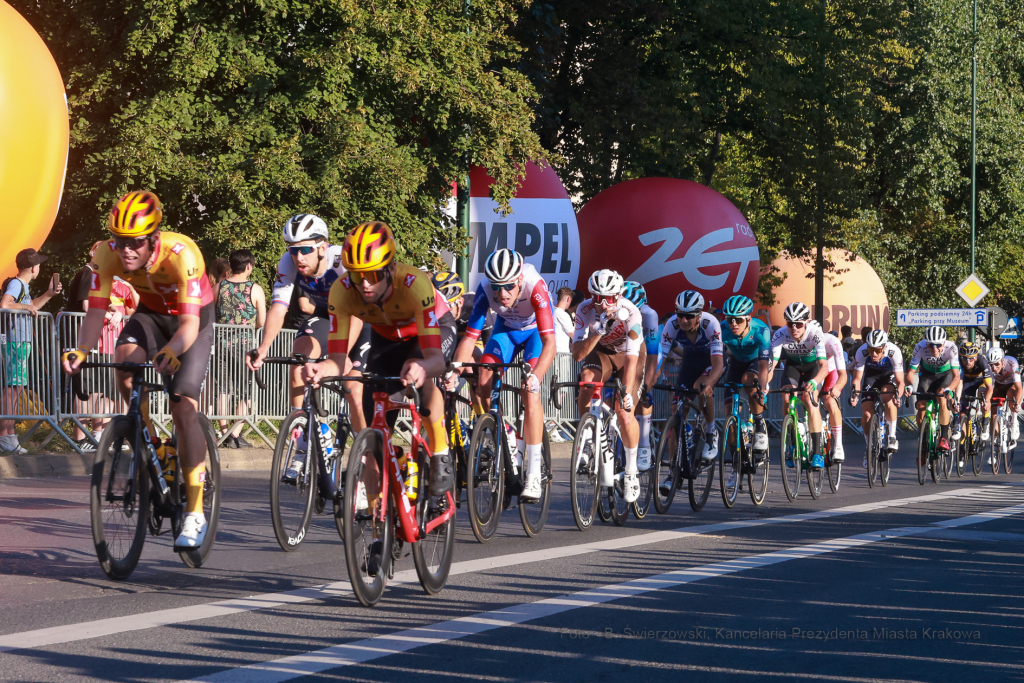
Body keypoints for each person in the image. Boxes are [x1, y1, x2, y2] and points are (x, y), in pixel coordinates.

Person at [62, 191, 214, 551]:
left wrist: (172, 351)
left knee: (183, 406)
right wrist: (81, 349)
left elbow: (190, 324)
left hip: (192, 321)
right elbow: (96, 313)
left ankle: (195, 511)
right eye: (118, 241)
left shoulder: (184, 254)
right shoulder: (107, 254)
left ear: (154, 239)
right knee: (125, 361)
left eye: (135, 243)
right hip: (150, 314)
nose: (126, 250)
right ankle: (147, 438)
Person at [304, 222, 457, 499]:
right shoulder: (342, 291)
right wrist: (320, 368)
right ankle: (379, 520)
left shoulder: (414, 285)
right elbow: (338, 359)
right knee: (374, 428)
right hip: (387, 339)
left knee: (423, 382)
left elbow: (435, 358)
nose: (364, 284)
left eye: (373, 275)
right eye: (356, 276)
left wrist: (422, 367)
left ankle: (441, 453)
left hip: (429, 333)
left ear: (388, 269)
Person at [246, 214, 370, 479]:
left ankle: (365, 459)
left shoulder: (342, 262)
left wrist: (340, 357)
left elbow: (357, 315)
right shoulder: (287, 264)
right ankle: (301, 442)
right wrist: (264, 347)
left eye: (305, 249)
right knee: (299, 359)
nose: (298, 257)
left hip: (360, 318)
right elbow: (278, 308)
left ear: (322, 247)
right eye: (293, 250)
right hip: (327, 317)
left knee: (353, 387)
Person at [449, 249, 557, 501]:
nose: (502, 293)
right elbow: (470, 338)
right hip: (505, 331)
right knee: (483, 379)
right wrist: (455, 367)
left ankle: (532, 473)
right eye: (497, 287)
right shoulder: (485, 289)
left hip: (535, 335)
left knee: (529, 392)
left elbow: (549, 343)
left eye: (509, 286)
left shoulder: (535, 286)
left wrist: (536, 377)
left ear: (519, 280)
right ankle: (504, 431)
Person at [572, 269, 645, 503]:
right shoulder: (584, 310)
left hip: (628, 356)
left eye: (609, 298)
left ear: (619, 296)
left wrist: (627, 393)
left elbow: (632, 360)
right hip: (602, 352)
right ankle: (587, 439)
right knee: (586, 377)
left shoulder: (631, 313)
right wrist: (599, 330)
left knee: (624, 412)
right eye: (597, 298)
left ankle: (632, 471)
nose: (603, 304)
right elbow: (577, 354)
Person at [66, 241, 139, 451]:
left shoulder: (99, 278)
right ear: (92, 253)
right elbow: (88, 305)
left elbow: (104, 300)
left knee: (102, 391)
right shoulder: (88, 273)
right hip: (89, 343)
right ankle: (79, 439)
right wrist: (108, 313)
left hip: (103, 345)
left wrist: (115, 310)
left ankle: (97, 435)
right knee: (88, 392)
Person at [657, 289, 724, 480]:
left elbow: (718, 363)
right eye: (680, 315)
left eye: (689, 316)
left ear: (699, 315)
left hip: (710, 362)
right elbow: (660, 359)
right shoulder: (671, 325)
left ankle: (711, 430)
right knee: (675, 414)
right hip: (689, 361)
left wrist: (710, 383)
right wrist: (650, 381)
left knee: (701, 388)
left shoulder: (710, 323)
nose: (684, 320)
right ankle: (672, 471)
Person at [0, 249, 62, 454]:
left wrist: (48, 294)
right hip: (15, 342)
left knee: (15, 388)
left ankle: (9, 436)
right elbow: (5, 304)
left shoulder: (22, 286)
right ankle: (6, 436)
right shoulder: (16, 284)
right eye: (39, 265)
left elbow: (31, 306)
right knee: (12, 389)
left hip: (20, 343)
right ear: (34, 267)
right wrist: (25, 308)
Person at [215, 249, 267, 448]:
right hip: (245, 346)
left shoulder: (219, 287)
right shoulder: (255, 289)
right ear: (248, 267)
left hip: (220, 343)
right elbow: (261, 321)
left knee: (223, 391)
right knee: (247, 392)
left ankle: (223, 432)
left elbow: (211, 315)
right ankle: (234, 434)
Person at [769, 302, 828, 469]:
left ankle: (817, 452)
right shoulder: (780, 334)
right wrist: (765, 385)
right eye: (789, 324)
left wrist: (814, 381)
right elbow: (771, 366)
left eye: (799, 324)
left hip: (812, 368)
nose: (794, 328)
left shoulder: (815, 333)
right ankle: (793, 443)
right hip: (792, 366)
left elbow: (824, 366)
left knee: (810, 400)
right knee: (787, 398)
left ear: (806, 323)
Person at [719, 295, 771, 478]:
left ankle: (758, 422)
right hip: (736, 363)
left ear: (748, 319)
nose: (734, 324)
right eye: (729, 319)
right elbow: (717, 358)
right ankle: (736, 464)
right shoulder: (722, 329)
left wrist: (763, 389)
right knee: (730, 415)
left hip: (756, 361)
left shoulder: (761, 330)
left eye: (739, 320)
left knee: (749, 380)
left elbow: (764, 366)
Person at [849, 329, 905, 468]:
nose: (873, 354)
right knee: (867, 414)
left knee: (888, 395)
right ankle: (869, 447)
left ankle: (892, 436)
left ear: (884, 347)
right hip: (871, 376)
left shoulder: (894, 351)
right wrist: (854, 395)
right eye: (871, 349)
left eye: (878, 350)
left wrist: (899, 396)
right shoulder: (861, 352)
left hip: (888, 375)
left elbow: (900, 381)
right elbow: (857, 378)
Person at [621, 281, 660, 471]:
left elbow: (652, 355)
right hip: (626, 349)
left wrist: (648, 383)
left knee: (643, 392)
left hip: (648, 352)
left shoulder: (648, 314)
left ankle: (644, 445)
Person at [904, 325, 960, 453]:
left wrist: (950, 389)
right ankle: (923, 439)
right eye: (931, 345)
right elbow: (910, 372)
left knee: (941, 395)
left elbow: (956, 376)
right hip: (927, 376)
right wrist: (910, 386)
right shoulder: (919, 347)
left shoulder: (951, 348)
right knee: (921, 408)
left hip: (945, 376)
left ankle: (944, 436)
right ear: (926, 343)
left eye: (938, 345)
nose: (934, 349)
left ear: (944, 343)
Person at [808, 320, 848, 463]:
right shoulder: (802, 342)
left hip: (831, 371)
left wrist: (837, 387)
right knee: (810, 398)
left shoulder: (832, 341)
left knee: (830, 400)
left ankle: (838, 445)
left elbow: (843, 374)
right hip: (815, 372)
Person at [951, 341, 991, 464]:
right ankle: (962, 447)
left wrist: (987, 401)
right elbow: (959, 382)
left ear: (976, 357)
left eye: (971, 359)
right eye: (964, 358)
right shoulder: (957, 361)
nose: (968, 362)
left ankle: (985, 423)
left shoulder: (982, 362)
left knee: (983, 394)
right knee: (962, 413)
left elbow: (990, 387)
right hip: (966, 381)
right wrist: (957, 401)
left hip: (981, 381)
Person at [985, 345, 1021, 452]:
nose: (994, 368)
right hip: (998, 386)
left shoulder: (1012, 363)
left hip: (1012, 384)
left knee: (1011, 393)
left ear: (1002, 361)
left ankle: (1014, 422)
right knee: (994, 416)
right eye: (991, 365)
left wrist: (1017, 404)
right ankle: (995, 445)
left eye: (996, 364)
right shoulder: (988, 368)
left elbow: (1019, 388)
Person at [552, 286, 575, 355]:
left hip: (552, 352)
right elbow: (573, 335)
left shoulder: (551, 310)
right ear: (568, 299)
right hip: (561, 355)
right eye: (571, 300)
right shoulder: (562, 314)